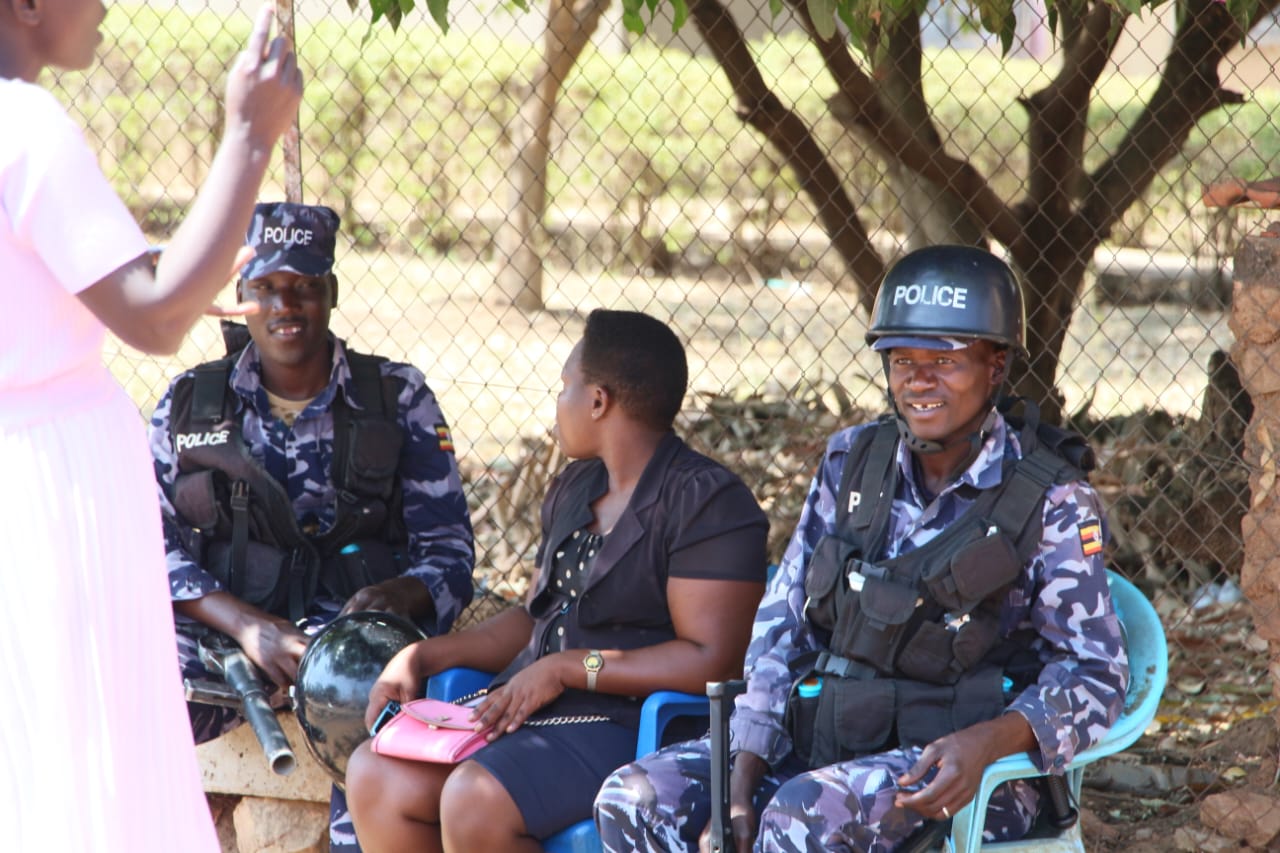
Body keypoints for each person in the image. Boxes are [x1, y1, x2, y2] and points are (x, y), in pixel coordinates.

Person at [594, 245, 1130, 852]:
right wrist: (739, 781)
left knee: (797, 818)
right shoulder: (853, 462)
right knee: (636, 798)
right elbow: (783, 625)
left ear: (996, 366)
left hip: (967, 769)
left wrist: (987, 743)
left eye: (945, 361)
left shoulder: (1052, 499)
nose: (919, 381)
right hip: (829, 734)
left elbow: (1096, 674)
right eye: (903, 360)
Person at [0, 3, 301, 850]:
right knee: (84, 748)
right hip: (51, 492)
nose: (103, 7)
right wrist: (250, 133)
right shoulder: (26, 126)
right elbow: (157, 317)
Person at [344, 309, 771, 852]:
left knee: (475, 797)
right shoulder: (576, 486)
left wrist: (571, 667)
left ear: (598, 400)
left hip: (635, 725)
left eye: (565, 387)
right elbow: (534, 618)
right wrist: (423, 658)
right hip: (535, 708)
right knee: (376, 775)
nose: (558, 404)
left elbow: (713, 660)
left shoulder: (706, 502)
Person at [148, 201, 476, 848]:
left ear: (330, 291)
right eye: (266, 288)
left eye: (303, 286)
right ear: (241, 297)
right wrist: (246, 624)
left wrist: (398, 596)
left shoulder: (395, 397)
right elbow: (145, 541)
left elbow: (449, 552)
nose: (284, 305)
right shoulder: (190, 402)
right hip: (221, 629)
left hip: (345, 634)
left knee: (363, 697)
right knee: (131, 681)